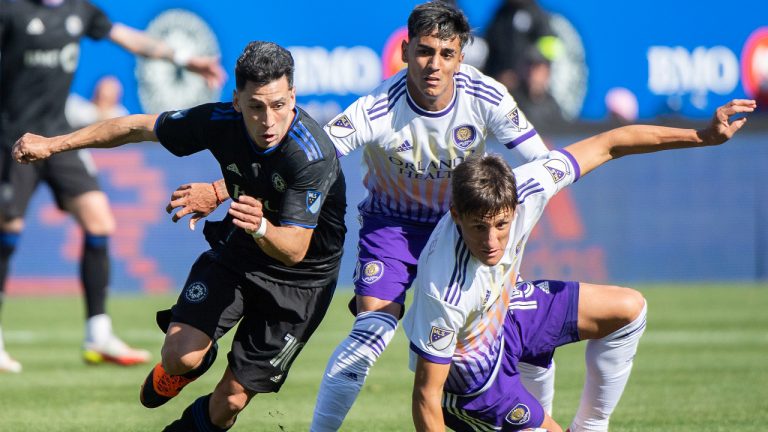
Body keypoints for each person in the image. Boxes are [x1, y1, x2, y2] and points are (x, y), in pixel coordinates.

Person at [166, 2, 557, 429]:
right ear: (405, 51)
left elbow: (542, 164)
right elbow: (305, 158)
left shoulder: (487, 97)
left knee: (496, 336)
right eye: (424, 51)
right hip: (393, 228)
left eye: (447, 53)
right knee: (371, 332)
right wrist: (221, 189)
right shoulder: (377, 108)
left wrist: (507, 222)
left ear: (461, 56)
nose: (434, 65)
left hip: (459, 228)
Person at [13, 40, 347, 431]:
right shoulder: (220, 120)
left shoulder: (311, 155)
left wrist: (256, 222)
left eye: (278, 105)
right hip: (242, 253)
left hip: (302, 281)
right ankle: (190, 366)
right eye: (256, 107)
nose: (269, 121)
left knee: (230, 401)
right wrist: (53, 144)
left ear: (293, 96)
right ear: (237, 101)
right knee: (179, 357)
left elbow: (293, 249)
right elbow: (136, 128)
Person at [404, 99, 755, 431]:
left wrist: (702, 136)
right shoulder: (443, 290)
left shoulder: (527, 189)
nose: (492, 241)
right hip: (475, 384)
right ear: (456, 215)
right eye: (479, 228)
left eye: (501, 225)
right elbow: (426, 397)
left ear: (514, 206)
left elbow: (611, 143)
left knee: (628, 309)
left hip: (507, 312)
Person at [0, 0, 226, 372]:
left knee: (99, 222)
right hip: (13, 139)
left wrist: (183, 60)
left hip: (57, 138)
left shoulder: (80, 11)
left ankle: (98, 333)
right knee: (8, 230)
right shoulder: (12, 10)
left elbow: (131, 39)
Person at [66, 75, 130, 129]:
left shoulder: (121, 113)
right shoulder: (82, 109)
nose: (104, 101)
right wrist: (100, 116)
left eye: (108, 98)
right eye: (102, 96)